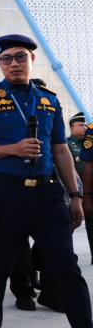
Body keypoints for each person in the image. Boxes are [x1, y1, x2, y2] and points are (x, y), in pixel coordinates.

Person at [0, 34, 93, 328]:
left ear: (31, 60)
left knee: (67, 267)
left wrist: (76, 194)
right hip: (5, 193)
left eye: (20, 57)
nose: (13, 63)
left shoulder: (50, 100)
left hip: (48, 195)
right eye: (7, 58)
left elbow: (61, 150)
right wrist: (12, 149)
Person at [68, 111, 93, 264]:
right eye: (80, 125)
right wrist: (85, 195)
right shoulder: (67, 144)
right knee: (70, 225)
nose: (84, 127)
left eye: (84, 124)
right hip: (76, 190)